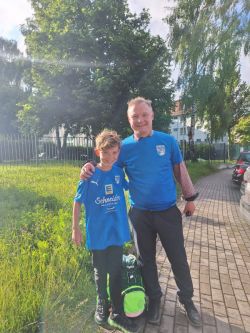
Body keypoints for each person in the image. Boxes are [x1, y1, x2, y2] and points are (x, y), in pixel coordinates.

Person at [80, 97, 202, 327]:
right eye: (135, 116)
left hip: (167, 211)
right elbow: (106, 167)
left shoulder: (167, 141)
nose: (140, 119)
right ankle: (154, 300)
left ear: (152, 115)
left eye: (144, 114)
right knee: (146, 261)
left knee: (178, 258)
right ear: (129, 120)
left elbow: (180, 170)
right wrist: (89, 167)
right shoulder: (124, 148)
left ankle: (187, 300)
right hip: (139, 214)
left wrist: (190, 198)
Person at [72, 129, 138, 333]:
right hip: (98, 234)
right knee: (100, 272)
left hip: (116, 232)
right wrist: (75, 229)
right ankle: (102, 304)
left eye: (115, 153)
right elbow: (77, 202)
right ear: (97, 151)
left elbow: (133, 186)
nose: (111, 157)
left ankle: (117, 311)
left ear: (119, 153)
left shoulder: (119, 173)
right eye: (106, 152)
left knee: (116, 271)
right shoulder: (90, 174)